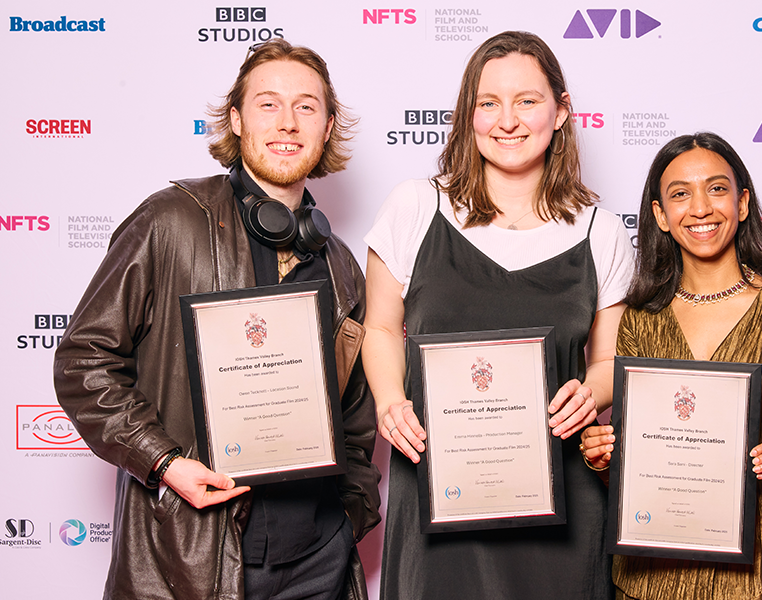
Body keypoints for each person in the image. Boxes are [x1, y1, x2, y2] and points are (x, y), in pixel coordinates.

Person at [53, 39, 380, 600]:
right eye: (268, 103)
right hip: (194, 553)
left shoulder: (342, 265)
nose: (288, 122)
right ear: (236, 118)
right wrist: (164, 462)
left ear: (327, 128)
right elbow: (85, 360)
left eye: (306, 106)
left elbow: (355, 419)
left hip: (319, 560)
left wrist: (350, 516)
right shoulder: (170, 221)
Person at [362, 31, 634, 600]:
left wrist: (593, 392)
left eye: (527, 101)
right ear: (469, 114)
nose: (507, 121)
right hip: (438, 482)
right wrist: (390, 401)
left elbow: (609, 359)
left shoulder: (601, 232)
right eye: (488, 103)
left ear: (561, 111)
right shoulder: (416, 206)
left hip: (561, 495)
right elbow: (382, 327)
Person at [581, 132, 762, 600]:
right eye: (680, 194)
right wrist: (603, 456)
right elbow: (637, 458)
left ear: (743, 203)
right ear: (661, 216)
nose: (701, 208)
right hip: (650, 580)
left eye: (717, 188)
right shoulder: (641, 322)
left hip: (759, 576)